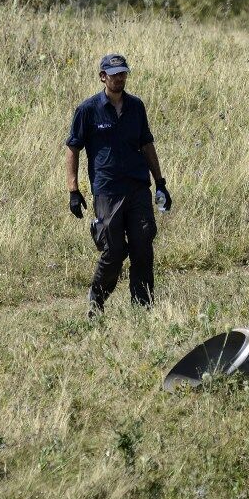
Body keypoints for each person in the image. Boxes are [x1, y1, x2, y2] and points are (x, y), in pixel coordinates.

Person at [66, 54, 172, 316]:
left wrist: (160, 183)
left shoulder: (136, 107)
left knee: (142, 246)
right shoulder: (87, 110)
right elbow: (73, 149)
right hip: (107, 190)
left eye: (123, 73)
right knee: (113, 251)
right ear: (103, 76)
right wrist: (73, 191)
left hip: (137, 188)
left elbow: (147, 145)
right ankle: (97, 299)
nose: (119, 78)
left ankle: (142, 308)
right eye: (113, 74)